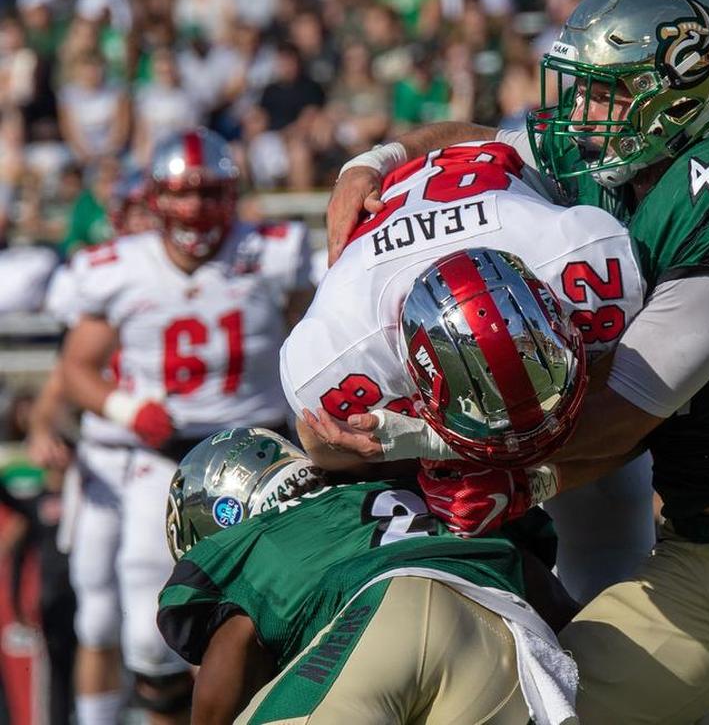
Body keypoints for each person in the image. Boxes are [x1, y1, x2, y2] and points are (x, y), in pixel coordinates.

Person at [319, 0, 709, 724]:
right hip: (700, 550)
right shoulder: (608, 161)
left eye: (602, 93)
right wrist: (376, 160)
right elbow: (472, 145)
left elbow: (627, 407)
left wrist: (421, 435)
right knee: (549, 709)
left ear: (678, 92)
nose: (577, 113)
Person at [161, 252, 583, 723]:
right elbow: (549, 599)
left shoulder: (257, 543)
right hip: (507, 640)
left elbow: (234, 646)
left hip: (384, 617)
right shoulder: (402, 493)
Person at [282, 140, 653, 603]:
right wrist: (414, 446)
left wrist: (532, 480)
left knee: (614, 510)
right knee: (430, 535)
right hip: (395, 278)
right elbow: (321, 443)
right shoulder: (343, 349)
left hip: (495, 196)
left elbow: (642, 414)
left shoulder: (586, 257)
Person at [56, 128, 313, 723]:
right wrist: (126, 409)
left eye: (209, 193)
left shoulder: (271, 251)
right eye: (182, 193)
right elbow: (76, 366)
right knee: (151, 630)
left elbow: (312, 333)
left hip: (261, 456)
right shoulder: (121, 267)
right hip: (163, 457)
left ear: (233, 195)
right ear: (154, 198)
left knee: (275, 610)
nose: (195, 209)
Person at [35, 171, 159, 725]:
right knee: (99, 619)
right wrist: (47, 431)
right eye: (133, 211)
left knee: (180, 620)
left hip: (172, 460)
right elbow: (55, 395)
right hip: (108, 461)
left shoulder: (193, 280)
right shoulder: (106, 289)